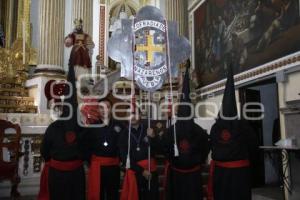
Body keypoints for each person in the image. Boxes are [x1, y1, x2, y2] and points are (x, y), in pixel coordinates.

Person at [208, 61, 258, 200]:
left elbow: (211, 145)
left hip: (221, 173)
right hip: (240, 173)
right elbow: (254, 146)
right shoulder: (243, 125)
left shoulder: (215, 127)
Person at [161, 61, 210, 200]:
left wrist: (197, 161)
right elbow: (165, 146)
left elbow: (205, 146)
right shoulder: (172, 131)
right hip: (177, 173)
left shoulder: (197, 131)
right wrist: (172, 159)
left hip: (192, 174)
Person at [38, 63, 86, 200]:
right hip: (57, 173)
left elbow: (87, 147)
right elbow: (44, 150)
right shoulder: (54, 128)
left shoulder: (82, 127)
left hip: (76, 173)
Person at [82, 97, 122, 200]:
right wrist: (90, 161)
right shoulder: (91, 127)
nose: (104, 110)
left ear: (111, 109)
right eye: (101, 107)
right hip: (97, 167)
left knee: (113, 194)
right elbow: (85, 146)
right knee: (97, 194)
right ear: (98, 110)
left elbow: (123, 145)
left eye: (107, 107)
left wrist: (121, 159)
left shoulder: (120, 126)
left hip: (114, 167)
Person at [119, 109, 160, 200]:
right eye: (129, 114)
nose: (132, 116)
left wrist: (153, 137)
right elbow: (124, 157)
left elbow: (159, 149)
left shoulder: (149, 129)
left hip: (151, 170)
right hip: (134, 171)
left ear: (140, 115)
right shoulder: (123, 134)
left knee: (152, 196)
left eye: (135, 113)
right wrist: (141, 171)